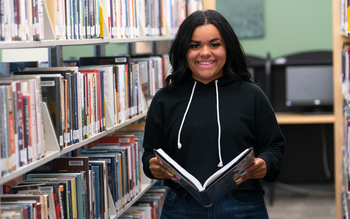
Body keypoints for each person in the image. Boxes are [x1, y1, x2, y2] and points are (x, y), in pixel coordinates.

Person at [142, 9, 285, 219]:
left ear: (228, 48)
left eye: (215, 44)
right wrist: (151, 166)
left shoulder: (251, 95)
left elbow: (274, 148)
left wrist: (264, 165)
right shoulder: (164, 99)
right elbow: (149, 154)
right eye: (195, 45)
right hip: (181, 207)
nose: (205, 52)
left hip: (243, 205)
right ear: (184, 50)